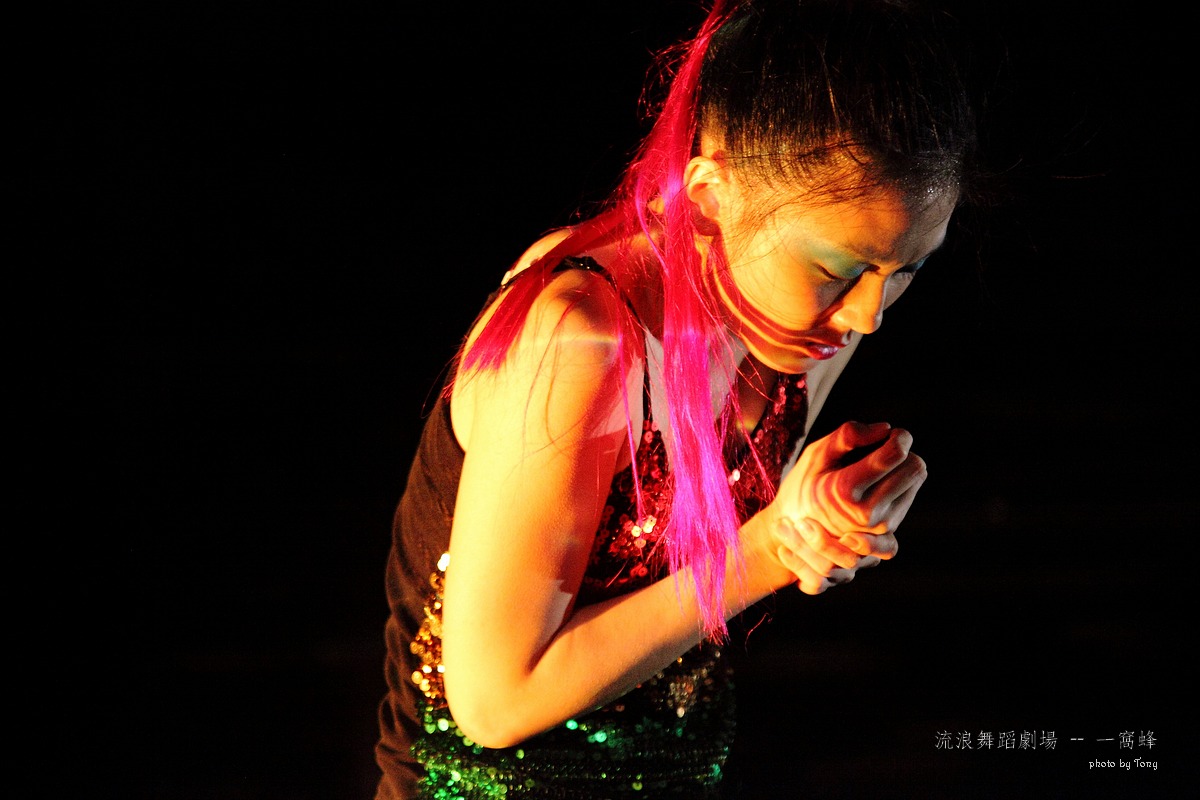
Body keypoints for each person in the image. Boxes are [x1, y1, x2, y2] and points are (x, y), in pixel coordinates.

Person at [375, 0, 983, 796]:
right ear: (707, 198)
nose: (869, 314)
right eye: (838, 270)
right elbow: (496, 702)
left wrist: (822, 521)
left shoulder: (811, 323)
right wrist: (772, 550)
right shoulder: (583, 340)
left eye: (906, 269)